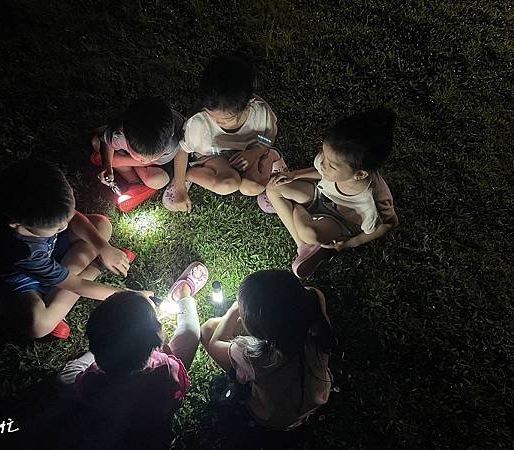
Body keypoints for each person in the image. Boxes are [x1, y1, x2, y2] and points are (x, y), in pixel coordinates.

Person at [56, 262, 208, 449]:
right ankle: (183, 296)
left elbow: (84, 388)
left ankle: (115, 348)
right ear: (158, 337)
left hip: (114, 412)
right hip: (151, 419)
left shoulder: (93, 380)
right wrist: (166, 351)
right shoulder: (167, 369)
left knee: (66, 378)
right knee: (191, 333)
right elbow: (177, 392)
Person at [0, 159, 150, 339]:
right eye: (56, 226)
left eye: (66, 216)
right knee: (39, 325)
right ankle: (94, 268)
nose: (64, 226)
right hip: (25, 282)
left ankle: (59, 302)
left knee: (102, 225)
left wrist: (104, 247)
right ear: (17, 223)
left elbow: (74, 219)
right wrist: (129, 296)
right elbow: (78, 285)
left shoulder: (47, 205)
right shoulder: (26, 253)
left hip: (54, 257)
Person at [265, 108, 399, 278]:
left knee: (309, 233)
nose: (323, 164)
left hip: (340, 221)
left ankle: (299, 226)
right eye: (324, 155)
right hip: (320, 194)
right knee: (273, 188)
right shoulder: (330, 163)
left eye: (332, 165)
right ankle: (303, 241)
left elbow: (390, 223)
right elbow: (321, 173)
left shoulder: (374, 196)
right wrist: (294, 175)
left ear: (360, 174)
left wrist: (350, 243)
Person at [201, 270, 334, 430]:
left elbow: (215, 344)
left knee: (208, 328)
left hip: (274, 418)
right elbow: (303, 295)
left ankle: (241, 375)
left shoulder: (254, 355)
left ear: (256, 330)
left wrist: (234, 309)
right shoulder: (317, 304)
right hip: (318, 396)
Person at [163, 54, 283, 212]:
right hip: (214, 156)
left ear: (247, 105)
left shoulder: (260, 115)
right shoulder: (200, 124)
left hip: (248, 151)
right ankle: (189, 175)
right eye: (211, 115)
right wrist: (179, 188)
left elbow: (266, 138)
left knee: (252, 188)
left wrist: (255, 152)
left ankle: (271, 158)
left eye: (226, 120)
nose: (218, 122)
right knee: (227, 184)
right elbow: (183, 150)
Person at [91, 97, 185, 190]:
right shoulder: (119, 135)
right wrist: (107, 167)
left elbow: (155, 161)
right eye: (142, 158)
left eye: (144, 159)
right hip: (129, 148)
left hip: (159, 166)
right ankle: (134, 181)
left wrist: (118, 161)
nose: (145, 161)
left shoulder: (171, 144)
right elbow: (106, 142)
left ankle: (137, 181)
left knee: (157, 180)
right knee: (96, 142)